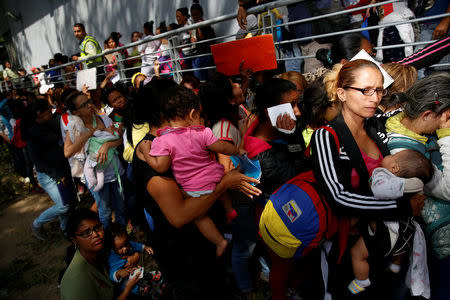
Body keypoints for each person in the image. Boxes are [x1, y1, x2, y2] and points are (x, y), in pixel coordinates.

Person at [131, 80, 261, 299]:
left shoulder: (179, 136)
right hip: (185, 255)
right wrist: (224, 184)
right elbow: (179, 215)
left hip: (204, 243)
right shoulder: (153, 151)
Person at [310, 59, 426, 298]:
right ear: (341, 93)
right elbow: (338, 197)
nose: (374, 98)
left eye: (379, 90)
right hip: (348, 249)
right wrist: (402, 206)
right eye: (365, 90)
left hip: (380, 244)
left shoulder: (374, 128)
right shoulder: (326, 137)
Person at [146, 86, 243, 257]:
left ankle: (219, 241)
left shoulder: (162, 141)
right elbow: (221, 146)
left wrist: (147, 154)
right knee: (221, 188)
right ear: (193, 114)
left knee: (199, 217)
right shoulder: (203, 133)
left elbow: (161, 167)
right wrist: (236, 150)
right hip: (216, 177)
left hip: (194, 189)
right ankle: (230, 211)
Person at [384, 73, 450, 300]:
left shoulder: (406, 123)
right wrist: (446, 134)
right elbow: (448, 189)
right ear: (427, 114)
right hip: (436, 241)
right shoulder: (404, 153)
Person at [349, 149, 433, 295]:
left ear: (394, 168)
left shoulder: (385, 176)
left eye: (393, 156)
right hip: (407, 234)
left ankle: (361, 280)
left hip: (387, 231)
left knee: (357, 253)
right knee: (400, 249)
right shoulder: (416, 188)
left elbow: (379, 190)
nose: (388, 155)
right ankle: (396, 264)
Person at [64, 92, 126, 228]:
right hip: (96, 177)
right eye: (85, 105)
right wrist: (91, 133)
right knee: (104, 212)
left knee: (120, 208)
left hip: (115, 172)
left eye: (89, 101)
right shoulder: (75, 127)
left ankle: (121, 238)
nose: (90, 105)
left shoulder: (103, 119)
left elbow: (119, 139)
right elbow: (67, 152)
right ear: (76, 112)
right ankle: (108, 241)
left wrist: (107, 145)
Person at [21, 97, 76, 240]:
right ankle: (37, 223)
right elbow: (38, 162)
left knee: (68, 201)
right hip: (50, 175)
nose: (51, 112)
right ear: (39, 113)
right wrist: (57, 176)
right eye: (48, 110)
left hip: (61, 170)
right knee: (63, 206)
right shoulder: (32, 133)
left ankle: (65, 229)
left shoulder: (48, 124)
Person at [60, 208, 140, 300]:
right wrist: (127, 289)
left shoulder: (102, 251)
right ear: (74, 240)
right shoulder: (78, 282)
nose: (95, 235)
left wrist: (134, 257)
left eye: (97, 227)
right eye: (86, 232)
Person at [106, 223, 165, 297]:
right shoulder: (113, 259)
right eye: (120, 248)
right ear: (112, 248)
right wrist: (119, 273)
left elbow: (134, 245)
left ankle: (159, 286)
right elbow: (111, 274)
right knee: (147, 289)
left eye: (126, 244)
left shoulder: (128, 244)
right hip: (131, 285)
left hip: (138, 273)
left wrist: (144, 247)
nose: (125, 248)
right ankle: (154, 294)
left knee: (156, 275)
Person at [190, 1, 216, 81]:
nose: (195, 17)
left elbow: (202, 38)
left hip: (204, 54)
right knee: (198, 77)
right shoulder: (193, 26)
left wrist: (199, 27)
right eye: (193, 15)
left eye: (197, 14)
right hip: (196, 54)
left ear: (201, 13)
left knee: (201, 78)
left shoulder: (204, 25)